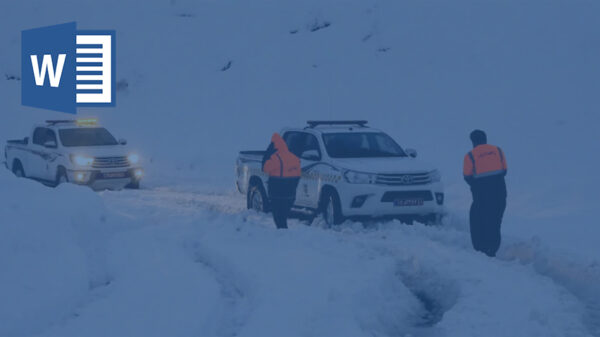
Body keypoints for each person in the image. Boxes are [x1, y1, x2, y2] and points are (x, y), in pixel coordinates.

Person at [463, 130, 508, 257]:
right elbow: (504, 171)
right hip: (500, 193)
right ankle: (492, 248)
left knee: (478, 219)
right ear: (485, 139)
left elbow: (467, 176)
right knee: (495, 221)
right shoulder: (498, 151)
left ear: (473, 141)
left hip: (481, 195)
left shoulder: (470, 156)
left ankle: (481, 249)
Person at [262, 133, 301, 229]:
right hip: (290, 194)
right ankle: (284, 235)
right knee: (283, 218)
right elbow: (298, 175)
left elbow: (265, 168)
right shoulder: (295, 158)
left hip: (277, 194)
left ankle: (283, 237)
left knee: (278, 218)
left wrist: (268, 153)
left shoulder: (275, 158)